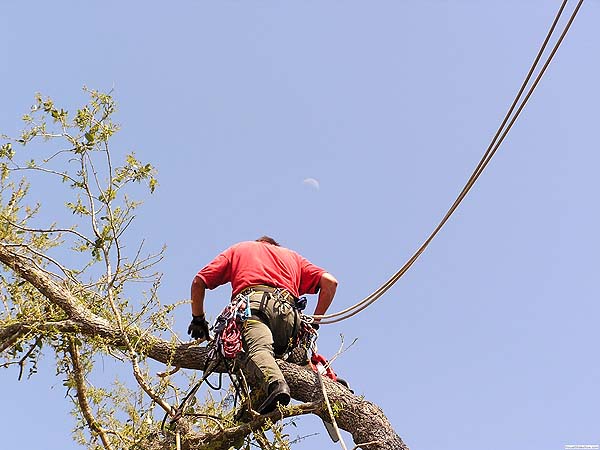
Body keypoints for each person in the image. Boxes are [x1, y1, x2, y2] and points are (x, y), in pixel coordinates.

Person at [188, 236, 337, 414]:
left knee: (258, 351)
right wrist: (315, 323)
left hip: (255, 307)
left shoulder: (240, 249)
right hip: (290, 319)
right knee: (290, 355)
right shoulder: (292, 257)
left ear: (259, 243)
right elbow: (330, 282)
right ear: (274, 245)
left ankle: (277, 386)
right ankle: (326, 383)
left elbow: (198, 282)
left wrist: (198, 319)